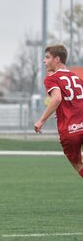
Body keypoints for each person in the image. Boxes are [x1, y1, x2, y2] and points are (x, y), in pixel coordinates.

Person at [34, 44, 83, 178]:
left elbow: (56, 99)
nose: (44, 61)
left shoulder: (51, 78)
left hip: (70, 129)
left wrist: (41, 120)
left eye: (47, 57)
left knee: (77, 164)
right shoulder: (77, 79)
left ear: (57, 59)